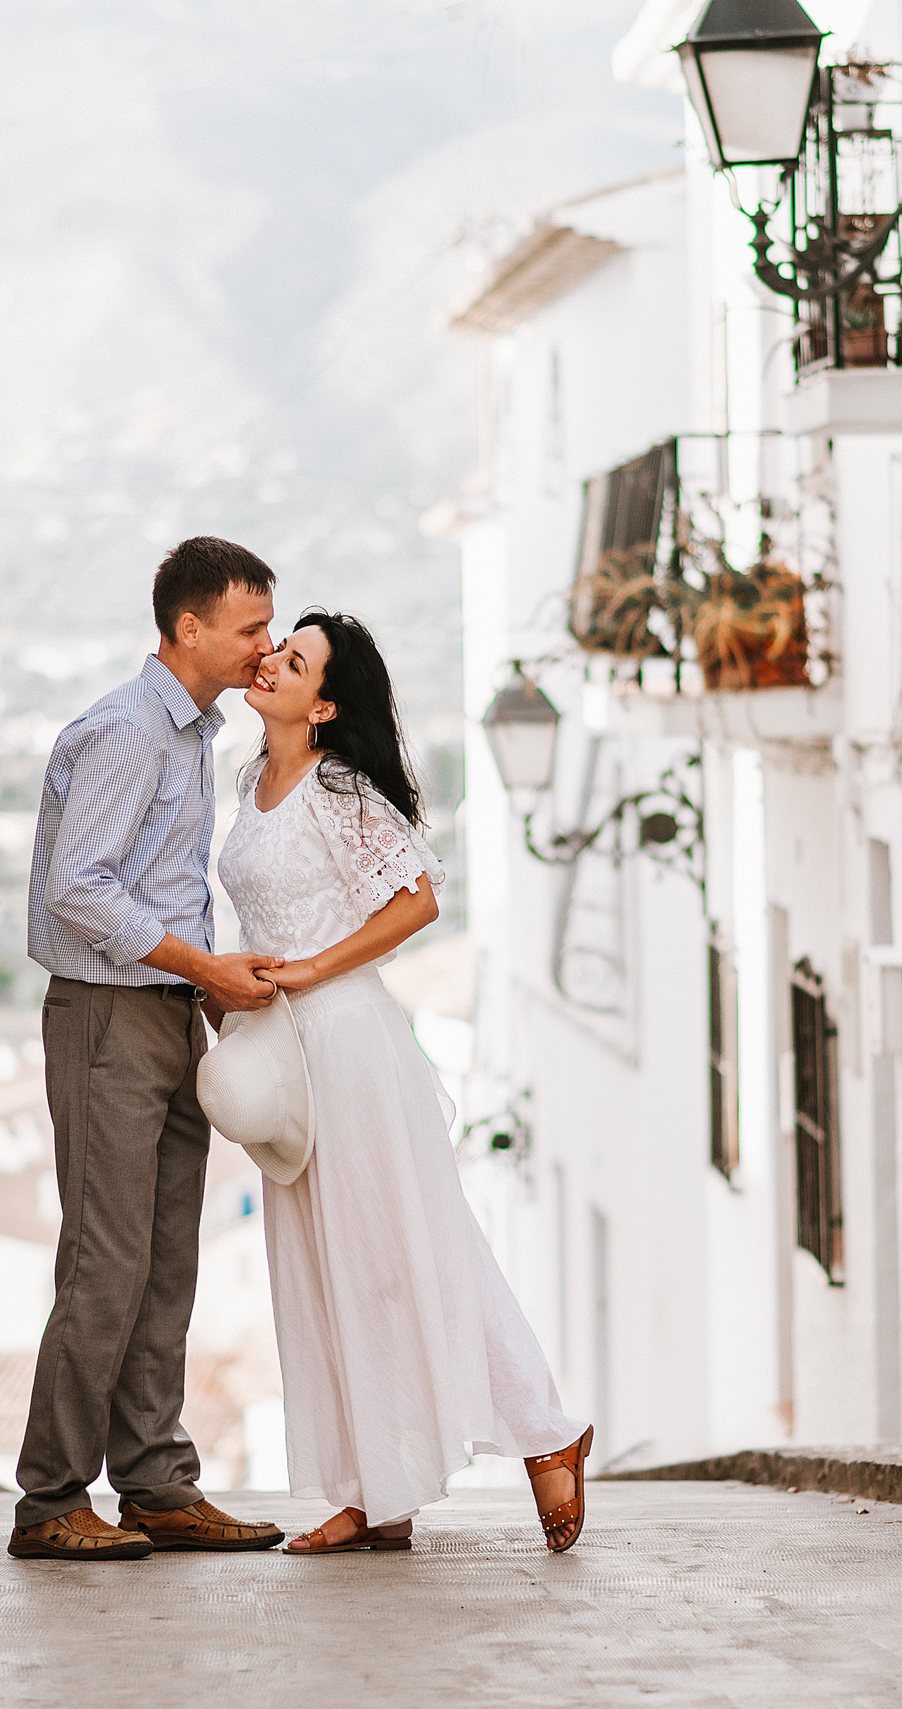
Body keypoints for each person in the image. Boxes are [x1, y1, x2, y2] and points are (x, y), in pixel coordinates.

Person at [219, 611, 594, 1556]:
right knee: (320, 1266)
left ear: (324, 704)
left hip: (349, 1046)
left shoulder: (338, 788)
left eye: (294, 661)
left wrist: (314, 967)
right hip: (285, 1057)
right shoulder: (250, 782)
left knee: (403, 1255)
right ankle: (371, 1489)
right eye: (277, 650)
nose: (271, 664)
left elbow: (418, 898)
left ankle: (545, 1432)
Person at [9, 538, 292, 1562]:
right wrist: (202, 966)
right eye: (250, 627)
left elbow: (162, 885)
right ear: (188, 627)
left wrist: (204, 988)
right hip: (107, 1020)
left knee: (167, 1259)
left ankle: (156, 1483)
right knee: (106, 1259)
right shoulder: (129, 732)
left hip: (167, 1014)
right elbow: (77, 890)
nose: (264, 645)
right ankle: (49, 1499)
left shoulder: (191, 735)